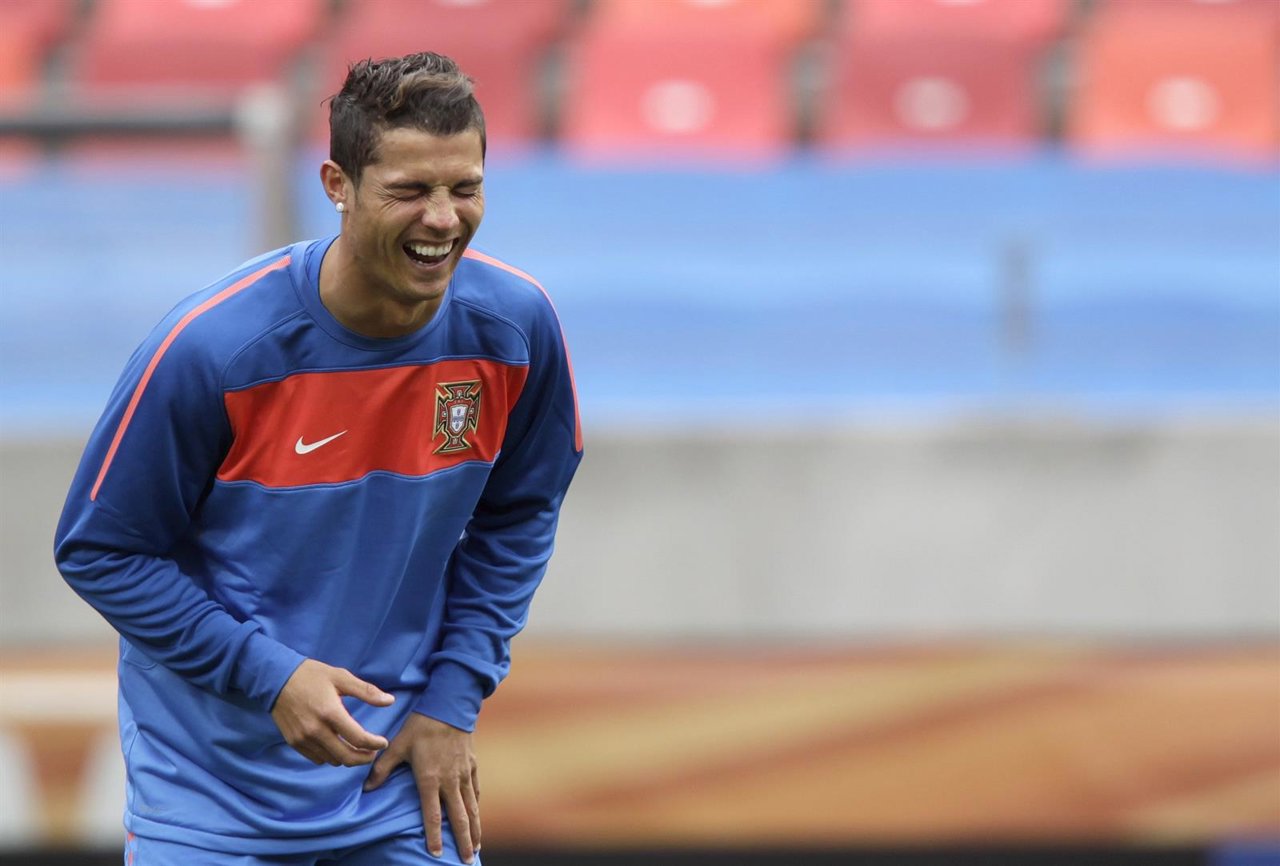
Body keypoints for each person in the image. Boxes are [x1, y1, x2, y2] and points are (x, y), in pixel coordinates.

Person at [54, 52, 582, 865]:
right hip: (210, 802)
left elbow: (520, 515)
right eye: (410, 190)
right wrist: (267, 674)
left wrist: (452, 699)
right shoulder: (214, 349)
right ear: (339, 185)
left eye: (465, 188)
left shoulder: (516, 329)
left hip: (396, 784)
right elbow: (101, 550)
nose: (443, 219)